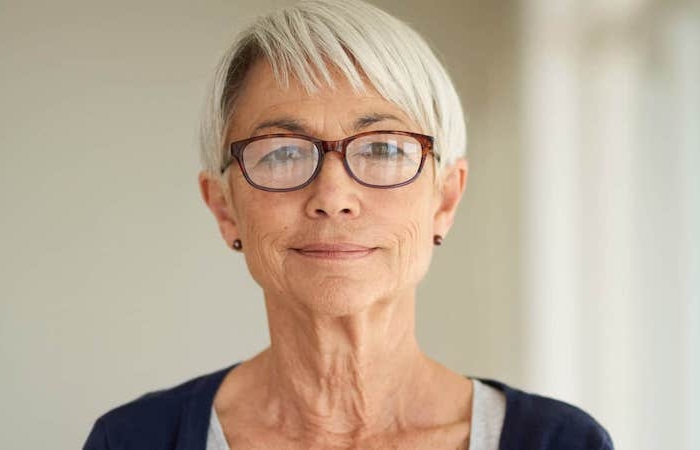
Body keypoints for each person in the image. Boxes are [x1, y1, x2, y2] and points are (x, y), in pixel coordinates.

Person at [83, 0, 613, 449]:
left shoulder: (558, 442)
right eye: (283, 152)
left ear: (445, 199)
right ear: (224, 207)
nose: (333, 198)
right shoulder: (134, 439)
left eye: (382, 148)